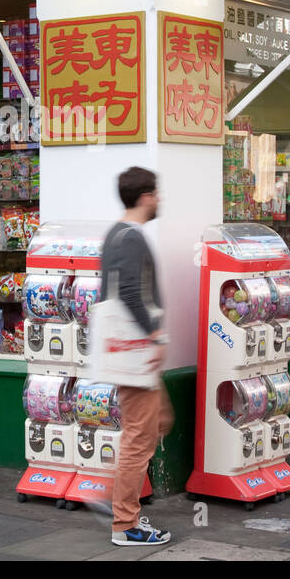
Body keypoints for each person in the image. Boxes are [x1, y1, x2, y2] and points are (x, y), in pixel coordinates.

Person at [101, 166, 174, 546]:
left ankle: (122, 512)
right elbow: (129, 293)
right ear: (145, 196)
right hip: (138, 354)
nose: (160, 199)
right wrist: (154, 333)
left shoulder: (116, 234)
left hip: (133, 354)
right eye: (157, 192)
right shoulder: (131, 238)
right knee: (138, 438)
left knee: (156, 422)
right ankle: (125, 524)